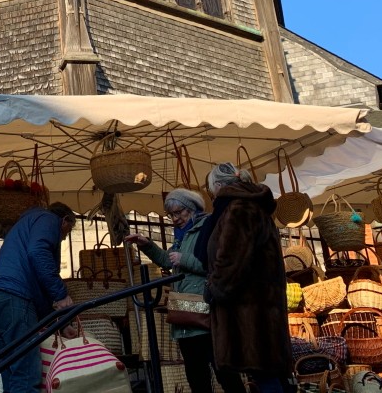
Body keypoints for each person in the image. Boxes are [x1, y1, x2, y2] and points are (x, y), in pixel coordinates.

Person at [125, 188, 244, 393]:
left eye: (179, 212)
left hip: (205, 310)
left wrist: (184, 259)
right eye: (171, 215)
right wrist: (146, 244)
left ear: (192, 209)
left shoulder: (208, 226)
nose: (174, 219)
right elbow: (167, 260)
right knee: (195, 373)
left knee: (223, 369)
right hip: (185, 312)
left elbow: (218, 263)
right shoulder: (182, 235)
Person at [193, 162, 292, 393]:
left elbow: (231, 260)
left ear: (217, 186)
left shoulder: (239, 208)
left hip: (250, 311)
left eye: (211, 189)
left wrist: (214, 289)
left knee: (264, 376)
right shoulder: (250, 206)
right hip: (257, 308)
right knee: (266, 376)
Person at [0, 202, 76, 393]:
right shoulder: (48, 220)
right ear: (65, 220)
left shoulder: (25, 225)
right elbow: (38, 252)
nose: (64, 238)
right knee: (26, 375)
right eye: (67, 232)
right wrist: (61, 294)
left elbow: (35, 281)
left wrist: (62, 324)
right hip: (15, 297)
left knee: (11, 372)